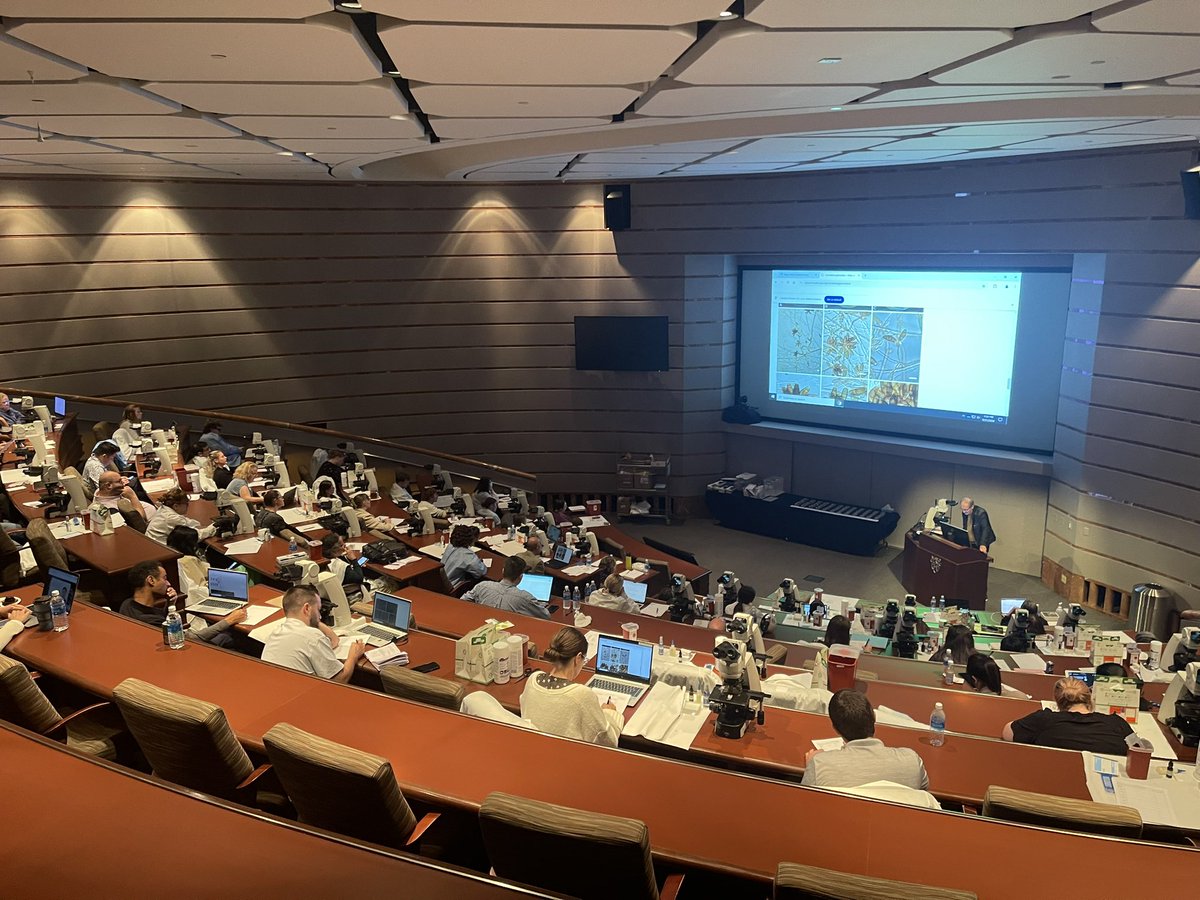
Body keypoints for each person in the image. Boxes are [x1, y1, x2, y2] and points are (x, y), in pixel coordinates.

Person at [801, 689, 930, 790]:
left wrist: (812, 766)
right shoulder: (912, 761)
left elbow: (804, 798)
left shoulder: (819, 765)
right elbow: (923, 792)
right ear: (874, 717)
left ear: (835, 728)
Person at [519, 625, 622, 747]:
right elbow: (609, 742)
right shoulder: (582, 695)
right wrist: (610, 714)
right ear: (578, 658)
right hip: (566, 760)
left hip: (534, 753)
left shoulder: (532, 679)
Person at [119, 560, 245, 646]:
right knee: (230, 636)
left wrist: (169, 604)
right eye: (165, 578)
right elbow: (193, 638)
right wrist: (228, 621)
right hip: (191, 650)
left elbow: (163, 621)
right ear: (151, 580)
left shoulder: (127, 604)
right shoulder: (149, 621)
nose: (168, 583)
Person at [261, 584, 364, 682]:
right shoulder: (313, 637)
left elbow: (334, 640)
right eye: (318, 610)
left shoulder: (276, 633)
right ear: (307, 608)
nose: (319, 616)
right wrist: (353, 656)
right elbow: (340, 679)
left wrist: (313, 619)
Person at [1003, 677, 1134, 755]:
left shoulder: (1044, 720)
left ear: (1057, 700)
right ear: (1089, 698)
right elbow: (1138, 751)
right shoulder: (1117, 723)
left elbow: (1008, 733)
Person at [463, 557, 549, 619]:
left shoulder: (482, 586)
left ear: (503, 571)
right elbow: (546, 616)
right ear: (521, 577)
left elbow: (463, 600)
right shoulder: (525, 598)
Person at [145, 487, 216, 545]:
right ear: (176, 506)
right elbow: (195, 535)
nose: (188, 506)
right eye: (186, 504)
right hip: (164, 552)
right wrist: (214, 526)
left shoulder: (163, 509)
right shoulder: (171, 518)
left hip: (155, 546)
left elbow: (193, 524)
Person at [321, 532, 366, 597]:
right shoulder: (340, 565)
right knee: (384, 581)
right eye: (342, 545)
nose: (345, 546)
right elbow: (359, 578)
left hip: (330, 594)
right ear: (335, 550)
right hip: (351, 594)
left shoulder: (323, 560)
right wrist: (354, 560)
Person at [442, 524, 486, 590]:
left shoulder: (450, 546)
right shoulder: (467, 555)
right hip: (453, 589)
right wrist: (479, 561)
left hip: (440, 584)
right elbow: (481, 572)